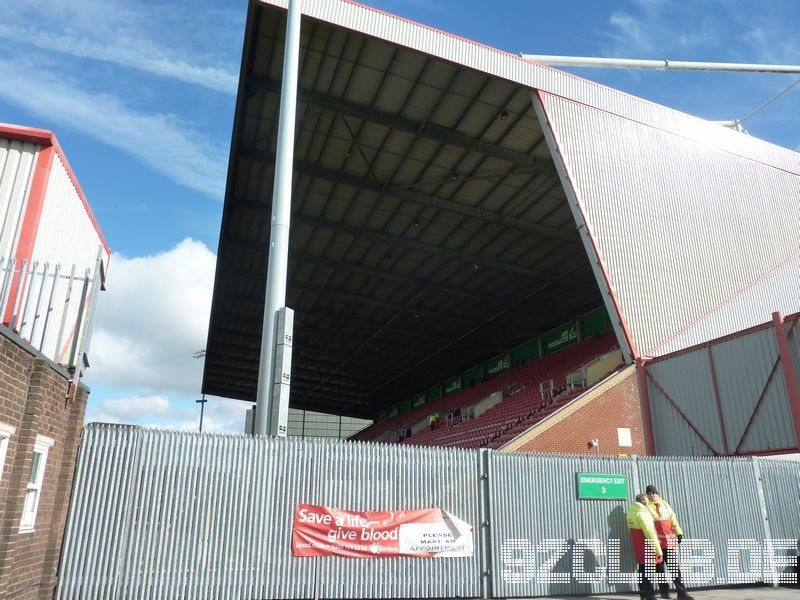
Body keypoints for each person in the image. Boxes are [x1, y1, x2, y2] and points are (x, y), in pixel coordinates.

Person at [646, 485, 694, 600]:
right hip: (656, 543)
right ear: (647, 495)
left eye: (654, 493)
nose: (652, 495)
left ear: (657, 494)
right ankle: (664, 592)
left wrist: (679, 533)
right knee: (660, 569)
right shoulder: (646, 507)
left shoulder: (665, 504)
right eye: (650, 493)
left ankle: (681, 592)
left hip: (669, 542)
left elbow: (673, 519)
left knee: (674, 568)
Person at [627, 493, 663, 600]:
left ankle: (643, 593)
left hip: (637, 544)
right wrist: (658, 550)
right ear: (643, 501)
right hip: (646, 545)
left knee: (642, 569)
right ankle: (650, 596)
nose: (648, 502)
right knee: (647, 571)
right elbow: (650, 533)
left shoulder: (631, 512)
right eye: (647, 500)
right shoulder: (642, 514)